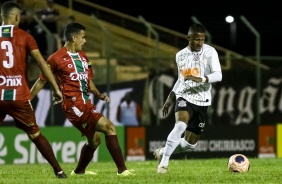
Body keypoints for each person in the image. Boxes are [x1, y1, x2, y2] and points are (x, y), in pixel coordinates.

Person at [30, 22, 134, 176]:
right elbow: (41, 81)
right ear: (74, 37)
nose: (85, 41)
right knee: (109, 127)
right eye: (83, 37)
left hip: (86, 103)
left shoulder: (83, 56)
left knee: (95, 141)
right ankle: (122, 170)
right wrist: (27, 99)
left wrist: (98, 94)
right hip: (73, 106)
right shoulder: (56, 58)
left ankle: (78, 172)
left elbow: (88, 80)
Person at [0, 1, 66, 179]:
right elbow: (42, 64)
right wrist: (55, 88)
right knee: (35, 134)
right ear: (17, 17)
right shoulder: (25, 37)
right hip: (19, 96)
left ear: (1, 17)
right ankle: (58, 171)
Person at [153, 23, 222, 174]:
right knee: (180, 126)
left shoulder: (211, 52)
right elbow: (180, 80)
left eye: (202, 39)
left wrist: (202, 79)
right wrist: (170, 98)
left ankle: (162, 151)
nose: (200, 43)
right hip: (184, 95)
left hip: (203, 100)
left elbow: (218, 75)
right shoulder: (180, 55)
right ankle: (163, 164)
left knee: (189, 145)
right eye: (196, 39)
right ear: (188, 38)